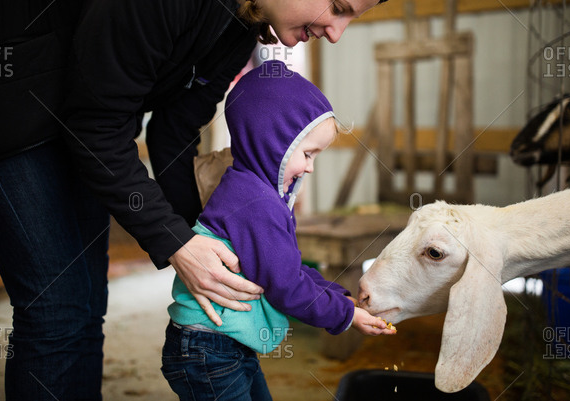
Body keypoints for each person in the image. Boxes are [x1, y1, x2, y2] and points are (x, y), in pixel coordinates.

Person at [0, 0, 394, 399]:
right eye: (338, 8)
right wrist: (176, 243)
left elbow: (176, 127)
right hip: (3, 108)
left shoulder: (243, 15)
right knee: (58, 310)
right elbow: (97, 125)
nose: (336, 33)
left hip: (73, 116)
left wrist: (208, 237)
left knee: (85, 306)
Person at [162, 60, 396, 401]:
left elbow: (289, 268)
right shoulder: (256, 203)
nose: (311, 168)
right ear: (274, 144)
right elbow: (286, 288)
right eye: (308, 153)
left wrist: (341, 298)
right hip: (208, 348)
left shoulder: (254, 191)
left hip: (220, 343)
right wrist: (345, 316)